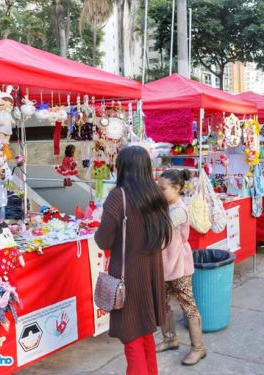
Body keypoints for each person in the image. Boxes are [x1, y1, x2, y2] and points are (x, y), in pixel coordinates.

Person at [94, 146, 172, 375]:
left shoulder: (119, 197)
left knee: (132, 339)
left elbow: (103, 240)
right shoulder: (157, 195)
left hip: (128, 276)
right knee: (145, 333)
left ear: (123, 168)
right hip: (151, 273)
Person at [156, 169, 206, 366]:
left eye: (162, 188)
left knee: (188, 305)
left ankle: (198, 348)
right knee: (162, 302)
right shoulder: (166, 205)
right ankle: (170, 339)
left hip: (179, 265)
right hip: (164, 265)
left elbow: (160, 231)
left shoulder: (179, 210)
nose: (158, 192)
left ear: (176, 189)